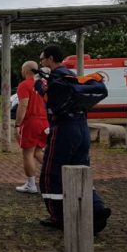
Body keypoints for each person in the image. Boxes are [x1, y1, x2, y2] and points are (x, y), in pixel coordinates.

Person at [35, 45, 111, 233]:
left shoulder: (54, 78)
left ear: (51, 59)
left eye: (42, 58)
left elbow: (47, 97)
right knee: (81, 171)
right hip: (81, 127)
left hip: (63, 129)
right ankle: (96, 208)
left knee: (51, 175)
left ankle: (59, 217)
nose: (41, 62)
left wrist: (39, 82)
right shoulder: (72, 76)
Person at [15, 61, 49, 194]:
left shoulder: (24, 85)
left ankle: (31, 184)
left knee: (28, 153)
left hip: (31, 122)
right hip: (45, 121)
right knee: (38, 152)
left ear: (26, 71)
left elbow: (23, 105)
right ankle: (54, 173)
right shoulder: (44, 84)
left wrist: (17, 124)